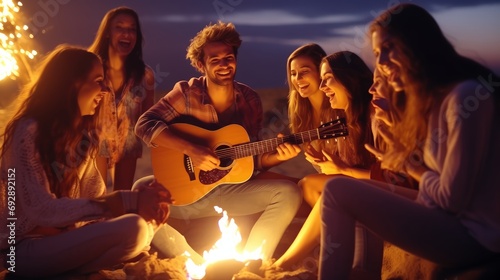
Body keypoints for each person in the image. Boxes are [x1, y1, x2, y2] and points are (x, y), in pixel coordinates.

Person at [319, 3, 500, 279]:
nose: (380, 63)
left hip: (476, 236)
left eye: (389, 47)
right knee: (361, 188)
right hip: (453, 218)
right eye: (378, 53)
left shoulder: (465, 97)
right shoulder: (437, 102)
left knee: (336, 190)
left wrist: (409, 165)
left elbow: (451, 200)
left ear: (419, 44)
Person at [134, 21, 302, 261]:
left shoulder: (250, 99)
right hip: (187, 194)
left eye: (228, 58)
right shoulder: (186, 94)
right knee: (140, 189)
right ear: (201, 65)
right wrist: (193, 150)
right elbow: (144, 124)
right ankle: (195, 263)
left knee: (289, 193)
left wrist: (276, 157)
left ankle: (252, 262)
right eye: (215, 60)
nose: (224, 65)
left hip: (232, 190)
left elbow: (249, 163)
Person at [0, 45, 171, 278]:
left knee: (148, 185)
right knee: (135, 228)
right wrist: (126, 202)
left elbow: (94, 203)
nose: (105, 89)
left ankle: (76, 270)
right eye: (98, 80)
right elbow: (41, 209)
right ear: (71, 83)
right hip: (23, 250)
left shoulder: (81, 138)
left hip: (65, 241)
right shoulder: (28, 131)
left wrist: (144, 205)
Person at [274, 51, 381, 276]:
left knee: (331, 190)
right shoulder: (349, 114)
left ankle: (284, 263)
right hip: (361, 187)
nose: (323, 87)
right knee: (307, 185)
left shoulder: (374, 115)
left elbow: (392, 177)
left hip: (383, 195)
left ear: (348, 78)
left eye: (327, 78)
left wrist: (343, 170)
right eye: (293, 74)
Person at [89, 6, 155, 191]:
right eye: (120, 27)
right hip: (95, 141)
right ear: (108, 33)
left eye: (132, 29)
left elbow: (148, 119)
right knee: (95, 199)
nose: (126, 33)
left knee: (123, 200)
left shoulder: (144, 75)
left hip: (128, 144)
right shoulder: (91, 67)